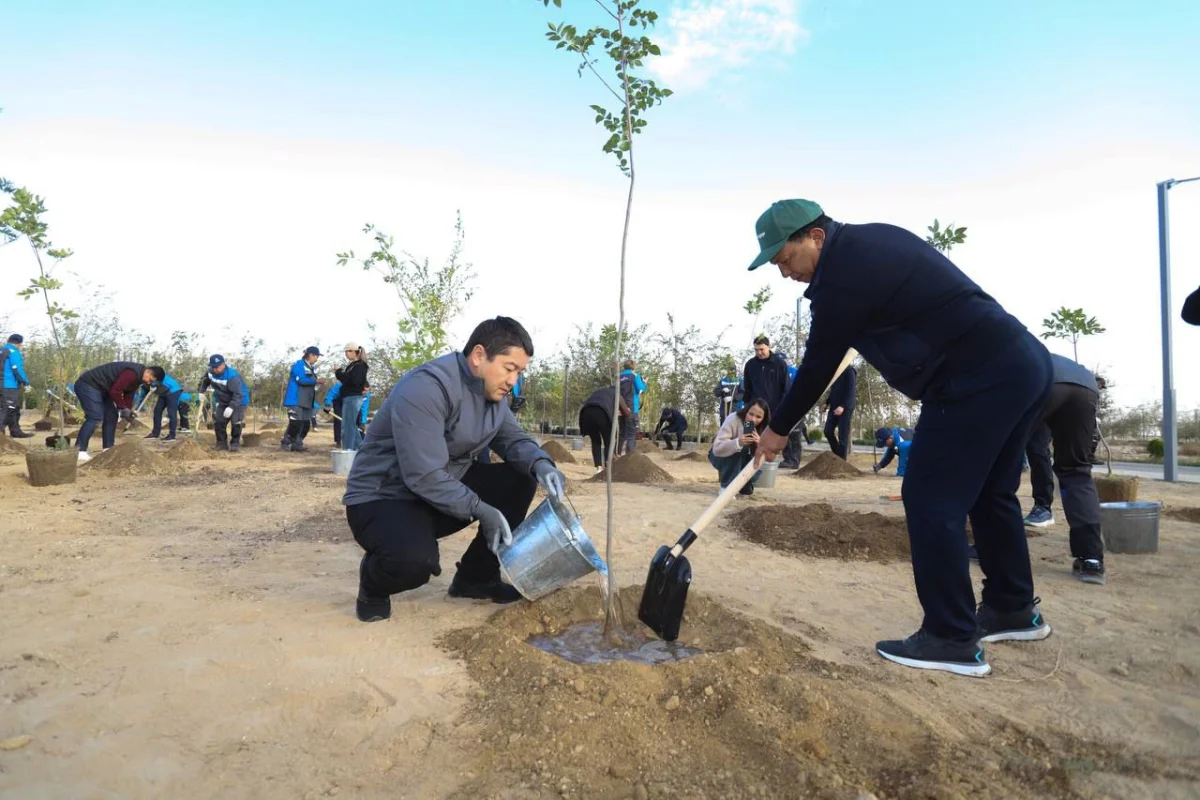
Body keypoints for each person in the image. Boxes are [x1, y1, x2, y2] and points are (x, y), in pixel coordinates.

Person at [747, 198, 1053, 678]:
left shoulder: (844, 270)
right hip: (1024, 364)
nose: (785, 273)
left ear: (816, 237)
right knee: (991, 492)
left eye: (786, 259)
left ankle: (950, 637)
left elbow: (818, 364)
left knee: (931, 497)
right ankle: (1012, 608)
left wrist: (777, 429)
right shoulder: (869, 245)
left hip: (976, 376)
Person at [342, 317, 566, 622]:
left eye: (519, 372)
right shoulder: (427, 388)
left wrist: (541, 465)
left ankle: (476, 578)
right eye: (508, 368)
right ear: (478, 356)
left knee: (519, 478)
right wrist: (481, 509)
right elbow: (423, 474)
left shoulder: (493, 396)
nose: (513, 380)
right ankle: (373, 582)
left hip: (440, 490)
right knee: (414, 562)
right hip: (384, 497)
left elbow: (514, 440)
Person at [1022, 355, 1107, 585]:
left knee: (1001, 462)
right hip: (1085, 385)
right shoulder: (1028, 350)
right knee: (1076, 471)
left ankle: (988, 546)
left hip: (1038, 383)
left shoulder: (986, 361)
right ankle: (1091, 560)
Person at [74, 361, 152, 461]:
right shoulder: (132, 373)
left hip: (103, 389)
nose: (149, 382)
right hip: (88, 384)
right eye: (150, 379)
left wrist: (127, 410)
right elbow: (115, 391)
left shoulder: (138, 379)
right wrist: (122, 408)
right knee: (95, 417)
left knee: (111, 416)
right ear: (148, 372)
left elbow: (129, 394)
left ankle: (108, 449)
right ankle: (80, 450)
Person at [710, 399, 769, 496]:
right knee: (741, 448)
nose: (753, 419)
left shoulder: (765, 429)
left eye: (758, 417)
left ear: (764, 418)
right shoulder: (734, 418)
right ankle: (726, 487)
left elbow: (769, 457)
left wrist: (760, 444)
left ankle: (735, 481)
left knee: (747, 491)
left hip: (743, 460)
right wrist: (737, 442)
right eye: (751, 414)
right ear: (746, 410)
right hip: (719, 456)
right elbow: (717, 448)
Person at [198, 354, 250, 451]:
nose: (215, 370)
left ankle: (235, 443)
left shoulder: (232, 377)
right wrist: (201, 391)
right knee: (219, 421)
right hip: (222, 400)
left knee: (236, 422)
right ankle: (221, 443)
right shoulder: (210, 372)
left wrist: (231, 407)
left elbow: (238, 394)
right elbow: (205, 381)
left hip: (239, 401)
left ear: (223, 364)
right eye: (213, 367)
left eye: (217, 367)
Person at [579, 384, 631, 472]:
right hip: (601, 413)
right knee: (609, 441)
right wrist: (628, 411)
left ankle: (598, 467)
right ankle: (608, 467)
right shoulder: (616, 393)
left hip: (586, 413)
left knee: (595, 441)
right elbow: (626, 413)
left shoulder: (600, 391)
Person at [282, 346, 323, 452]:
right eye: (316, 356)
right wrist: (316, 381)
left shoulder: (311, 368)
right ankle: (286, 441)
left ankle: (297, 444)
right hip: (295, 399)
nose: (317, 359)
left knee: (305, 424)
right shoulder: (298, 365)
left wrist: (317, 384)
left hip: (307, 401)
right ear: (311, 355)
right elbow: (302, 380)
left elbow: (311, 383)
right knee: (296, 423)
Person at [335, 343, 370, 452]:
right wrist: (339, 373)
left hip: (353, 398)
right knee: (351, 426)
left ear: (355, 352)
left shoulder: (360, 366)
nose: (346, 354)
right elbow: (347, 379)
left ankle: (348, 451)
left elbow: (354, 380)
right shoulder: (352, 366)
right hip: (348, 398)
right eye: (346, 352)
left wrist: (339, 372)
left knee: (347, 427)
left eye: (348, 351)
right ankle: (362, 451)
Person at [821, 362, 858, 459]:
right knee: (827, 431)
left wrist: (842, 406)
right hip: (834, 406)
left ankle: (842, 460)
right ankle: (838, 455)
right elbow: (833, 390)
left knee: (843, 434)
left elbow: (851, 391)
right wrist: (826, 403)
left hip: (846, 407)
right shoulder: (836, 373)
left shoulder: (849, 371)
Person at [743, 336, 789, 413]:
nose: (759, 353)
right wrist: (746, 406)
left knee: (776, 425)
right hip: (754, 410)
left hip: (775, 410)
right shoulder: (750, 364)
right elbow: (747, 388)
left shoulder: (780, 364)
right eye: (756, 350)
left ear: (768, 347)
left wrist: (784, 408)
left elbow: (786, 388)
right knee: (748, 425)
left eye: (761, 349)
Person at [2, 333, 33, 438]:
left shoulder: (2, 350)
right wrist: (26, 382)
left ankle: (15, 431)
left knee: (13, 408)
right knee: (8, 409)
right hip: (9, 385)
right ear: (19, 343)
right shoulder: (14, 352)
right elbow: (17, 369)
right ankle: (2, 433)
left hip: (3, 385)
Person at [143, 368, 184, 441]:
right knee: (157, 411)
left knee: (171, 412)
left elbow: (157, 384)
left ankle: (172, 435)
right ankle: (155, 433)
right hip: (164, 393)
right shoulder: (152, 377)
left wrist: (153, 385)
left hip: (173, 391)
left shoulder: (159, 376)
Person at [616, 360, 647, 456]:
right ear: (634, 367)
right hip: (632, 409)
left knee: (622, 433)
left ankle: (616, 455)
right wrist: (644, 383)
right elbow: (641, 390)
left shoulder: (619, 377)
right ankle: (629, 458)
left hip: (621, 408)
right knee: (632, 434)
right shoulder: (634, 376)